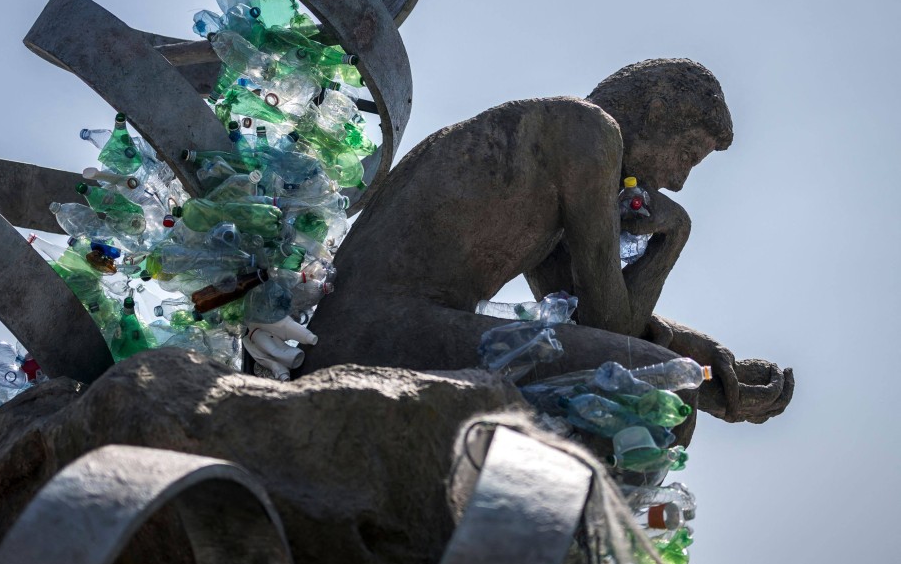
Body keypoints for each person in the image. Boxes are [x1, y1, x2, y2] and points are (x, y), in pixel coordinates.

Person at [302, 58, 792, 427]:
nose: (679, 181)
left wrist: (706, 369)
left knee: (668, 382)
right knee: (662, 389)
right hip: (377, 330)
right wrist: (675, 235)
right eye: (686, 154)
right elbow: (608, 324)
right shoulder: (587, 131)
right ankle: (579, 553)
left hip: (378, 328)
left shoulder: (553, 154)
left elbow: (585, 320)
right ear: (657, 110)